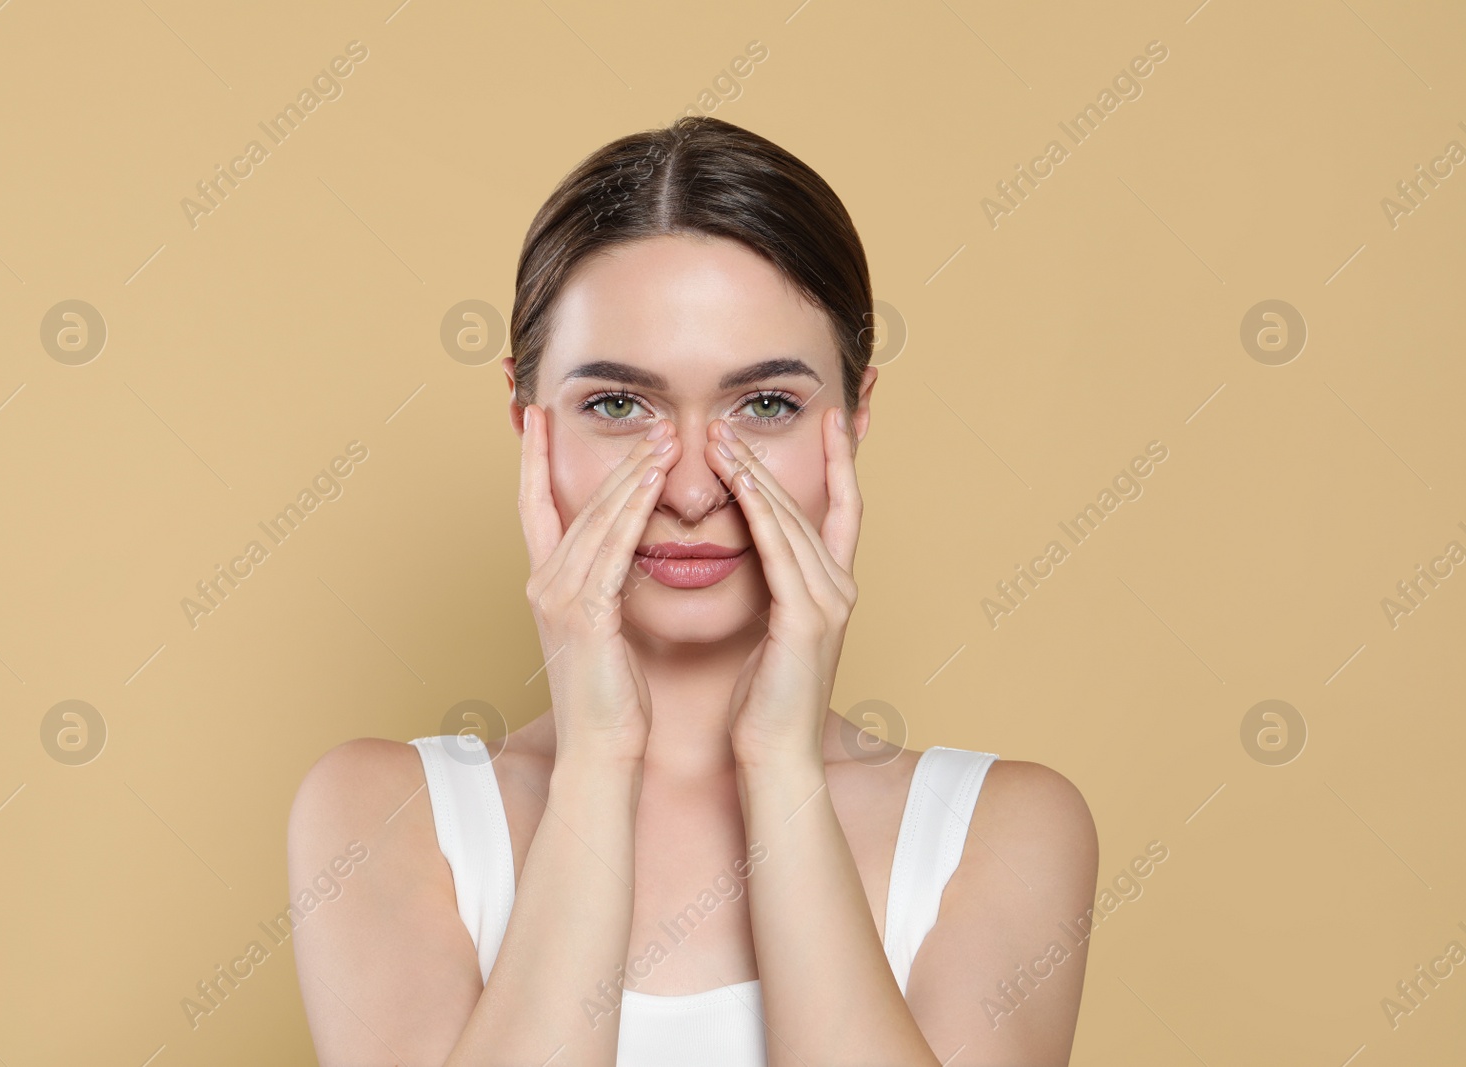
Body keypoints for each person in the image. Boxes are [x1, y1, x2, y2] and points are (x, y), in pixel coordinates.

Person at [287, 115, 1098, 1066]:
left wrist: (781, 772)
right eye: (619, 405)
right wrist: (596, 762)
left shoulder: (1003, 833)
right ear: (524, 415)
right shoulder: (380, 815)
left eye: (765, 405)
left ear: (858, 411)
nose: (691, 488)